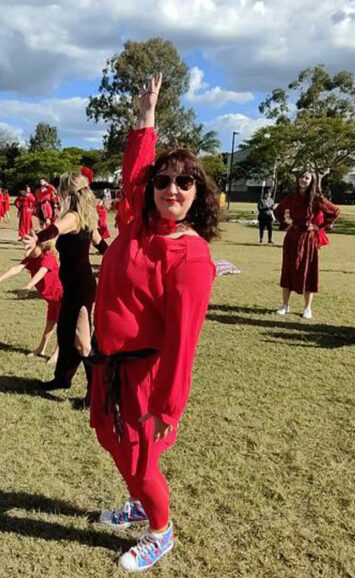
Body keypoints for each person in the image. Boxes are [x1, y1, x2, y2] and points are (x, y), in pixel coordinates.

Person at [90, 73, 217, 572]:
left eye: (184, 182)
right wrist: (147, 119)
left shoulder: (190, 255)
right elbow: (136, 174)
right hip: (109, 365)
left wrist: (168, 405)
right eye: (163, 181)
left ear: (197, 193)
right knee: (109, 436)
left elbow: (183, 340)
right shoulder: (136, 224)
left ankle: (160, 531)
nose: (170, 189)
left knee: (142, 462)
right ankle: (141, 505)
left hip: (146, 377)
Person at [23, 170, 105, 393]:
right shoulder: (85, 218)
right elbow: (103, 246)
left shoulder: (74, 217)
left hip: (80, 288)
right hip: (74, 286)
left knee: (83, 342)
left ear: (66, 192)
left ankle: (95, 392)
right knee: (65, 334)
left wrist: (37, 238)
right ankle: (62, 379)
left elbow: (54, 229)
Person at [273, 169, 340, 319]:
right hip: (292, 237)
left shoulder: (317, 199)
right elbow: (278, 212)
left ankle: (307, 308)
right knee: (288, 269)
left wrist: (319, 226)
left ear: (311, 182)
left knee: (308, 271)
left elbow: (335, 212)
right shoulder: (292, 197)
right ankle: (285, 305)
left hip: (309, 238)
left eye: (307, 178)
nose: (303, 180)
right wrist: (286, 223)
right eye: (301, 177)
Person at [0, 240, 62, 363]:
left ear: (41, 246)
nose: (27, 251)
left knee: (63, 325)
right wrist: (0, 279)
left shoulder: (48, 257)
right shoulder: (32, 257)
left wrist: (28, 286)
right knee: (50, 322)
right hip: (51, 299)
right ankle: (41, 348)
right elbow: (17, 268)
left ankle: (58, 353)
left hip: (62, 296)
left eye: (30, 247)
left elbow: (42, 271)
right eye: (25, 247)